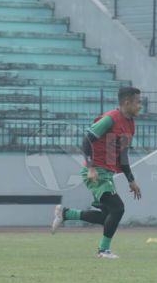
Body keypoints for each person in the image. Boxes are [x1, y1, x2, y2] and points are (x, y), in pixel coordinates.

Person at [51, 86, 143, 259]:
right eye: (138, 102)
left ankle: (66, 214)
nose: (140, 106)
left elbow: (122, 155)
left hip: (106, 173)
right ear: (126, 102)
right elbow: (86, 140)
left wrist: (131, 180)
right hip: (96, 171)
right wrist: (91, 167)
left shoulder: (130, 124)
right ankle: (103, 251)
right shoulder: (110, 119)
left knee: (106, 216)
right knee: (118, 208)